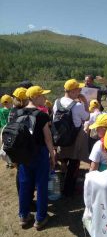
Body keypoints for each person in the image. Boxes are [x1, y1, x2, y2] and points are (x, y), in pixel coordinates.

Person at [18, 86, 56, 229]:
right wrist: (52, 156)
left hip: (23, 154)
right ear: (34, 97)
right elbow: (48, 139)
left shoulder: (18, 112)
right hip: (39, 153)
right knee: (41, 185)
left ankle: (23, 215)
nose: (44, 98)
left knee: (25, 184)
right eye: (42, 96)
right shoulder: (41, 115)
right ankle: (40, 218)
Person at [53, 79, 89, 197]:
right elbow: (87, 117)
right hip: (75, 138)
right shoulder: (77, 105)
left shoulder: (56, 102)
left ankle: (64, 181)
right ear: (73, 91)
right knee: (74, 164)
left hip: (61, 137)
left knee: (64, 159)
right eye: (78, 89)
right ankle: (69, 190)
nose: (79, 91)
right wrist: (85, 102)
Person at [0, 94, 13, 167]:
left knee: (6, 146)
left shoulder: (1, 110)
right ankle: (10, 162)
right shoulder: (11, 110)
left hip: (5, 129)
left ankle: (9, 162)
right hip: (8, 129)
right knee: (8, 145)